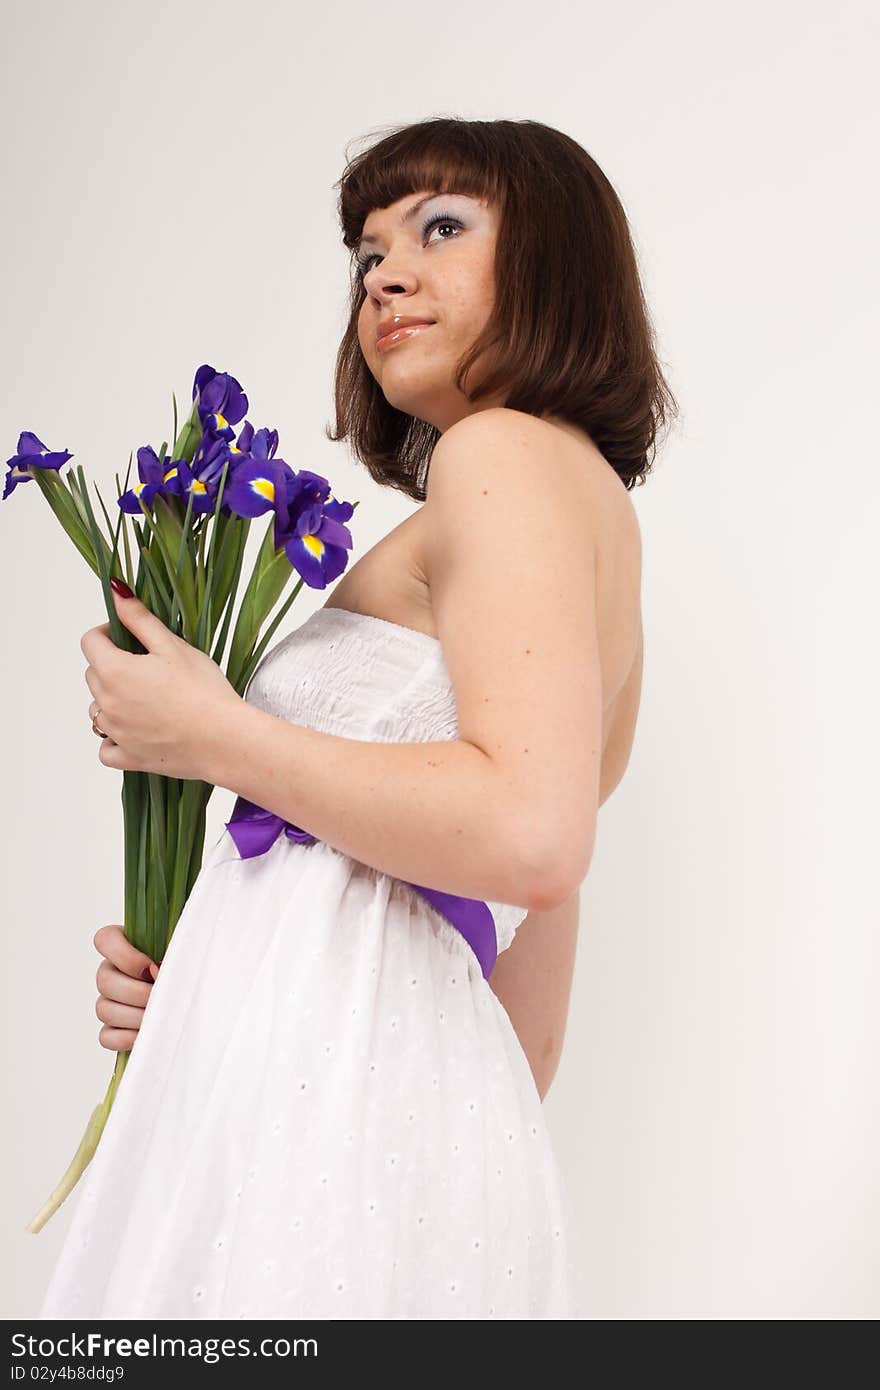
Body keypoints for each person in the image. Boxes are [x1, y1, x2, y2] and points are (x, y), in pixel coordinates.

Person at [38, 117, 676, 1320]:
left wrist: (210, 732)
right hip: (395, 1138)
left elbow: (532, 838)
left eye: (440, 227)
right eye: (367, 248)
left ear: (557, 262)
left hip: (335, 1148)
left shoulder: (500, 458)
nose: (384, 272)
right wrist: (213, 986)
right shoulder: (581, 529)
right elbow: (514, 1021)